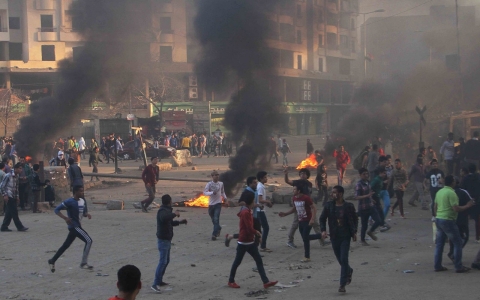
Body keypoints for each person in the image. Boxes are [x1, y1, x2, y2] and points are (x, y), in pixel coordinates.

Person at [227, 189, 278, 289]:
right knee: (237, 262)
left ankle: (265, 281)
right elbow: (249, 228)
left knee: (258, 260)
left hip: (249, 241)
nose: (255, 203)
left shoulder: (247, 211)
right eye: (254, 201)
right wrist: (257, 233)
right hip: (244, 242)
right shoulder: (246, 212)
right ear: (250, 202)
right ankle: (231, 281)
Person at [320, 185, 358, 293]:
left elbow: (355, 219)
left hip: (345, 236)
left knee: (344, 258)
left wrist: (354, 231)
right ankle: (349, 270)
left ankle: (342, 284)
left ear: (340, 194)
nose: (332, 194)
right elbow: (322, 218)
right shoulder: (329, 206)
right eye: (332, 192)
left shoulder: (349, 206)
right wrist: (323, 230)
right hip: (334, 236)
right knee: (340, 259)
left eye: (334, 192)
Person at [433, 175, 473, 273]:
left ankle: (437, 265)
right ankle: (458, 266)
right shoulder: (451, 193)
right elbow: (456, 208)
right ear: (452, 182)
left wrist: (437, 215)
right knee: (458, 242)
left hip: (439, 218)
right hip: (448, 220)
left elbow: (435, 206)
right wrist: (467, 206)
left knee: (440, 244)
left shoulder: (440, 192)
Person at [48, 186, 93, 272]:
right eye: (80, 191)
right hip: (74, 227)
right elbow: (57, 210)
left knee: (65, 245)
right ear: (75, 192)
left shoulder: (82, 201)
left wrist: (86, 214)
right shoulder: (69, 201)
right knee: (89, 240)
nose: (82, 193)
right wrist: (65, 218)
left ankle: (52, 260)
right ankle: (83, 263)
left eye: (82, 191)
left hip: (77, 225)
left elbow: (82, 212)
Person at [151, 194, 187, 293]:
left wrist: (180, 222)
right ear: (169, 201)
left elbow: (170, 223)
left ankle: (160, 280)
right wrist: (175, 214)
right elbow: (164, 219)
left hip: (167, 239)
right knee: (162, 262)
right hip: (163, 240)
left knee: (166, 261)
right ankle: (155, 284)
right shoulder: (162, 211)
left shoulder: (167, 211)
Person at [284, 168, 326, 248]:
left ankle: (322, 240)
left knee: (315, 223)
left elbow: (309, 194)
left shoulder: (309, 184)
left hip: (308, 204)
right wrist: (286, 174)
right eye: (301, 173)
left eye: (304, 174)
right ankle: (290, 240)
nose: (303, 175)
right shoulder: (297, 182)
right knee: (296, 223)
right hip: (299, 204)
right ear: (299, 175)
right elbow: (288, 181)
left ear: (307, 175)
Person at [279, 185, 318, 262]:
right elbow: (294, 209)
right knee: (305, 237)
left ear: (299, 191)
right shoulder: (294, 198)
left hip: (308, 219)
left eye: (294, 189)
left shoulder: (306, 198)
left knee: (305, 238)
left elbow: (313, 207)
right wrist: (285, 214)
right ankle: (321, 235)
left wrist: (312, 219)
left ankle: (307, 256)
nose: (293, 191)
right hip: (301, 220)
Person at [354, 168, 382, 246]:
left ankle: (370, 231)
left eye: (367, 173)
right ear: (360, 175)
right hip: (363, 208)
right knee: (364, 225)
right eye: (364, 174)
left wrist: (371, 199)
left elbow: (369, 193)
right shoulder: (359, 184)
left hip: (370, 206)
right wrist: (367, 196)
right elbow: (356, 197)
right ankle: (362, 240)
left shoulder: (368, 182)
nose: (366, 175)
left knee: (378, 221)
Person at [447, 177, 471, 263]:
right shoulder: (462, 192)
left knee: (453, 237)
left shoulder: (445, 192)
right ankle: (455, 256)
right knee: (464, 237)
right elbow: (471, 202)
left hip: (450, 218)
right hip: (462, 218)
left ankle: (452, 253)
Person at [0, 163, 28, 232]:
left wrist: (17, 196)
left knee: (9, 212)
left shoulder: (16, 177)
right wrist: (5, 195)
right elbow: (2, 186)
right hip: (8, 195)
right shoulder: (8, 175)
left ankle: (4, 226)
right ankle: (20, 226)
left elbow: (16, 187)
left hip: (13, 195)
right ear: (15, 169)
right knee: (14, 212)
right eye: (19, 168)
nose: (21, 170)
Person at [204, 170, 227, 240]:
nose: (217, 176)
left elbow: (223, 192)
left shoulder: (221, 184)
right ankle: (219, 228)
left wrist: (225, 198)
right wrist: (211, 193)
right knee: (213, 219)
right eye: (215, 175)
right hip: (211, 204)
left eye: (218, 175)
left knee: (216, 219)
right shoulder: (209, 184)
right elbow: (205, 192)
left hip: (218, 204)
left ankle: (214, 234)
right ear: (212, 176)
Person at [461, 163, 480, 242]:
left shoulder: (465, 178)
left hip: (468, 201)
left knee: (465, 218)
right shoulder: (479, 177)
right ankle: (477, 237)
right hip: (478, 200)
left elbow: (463, 189)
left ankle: (464, 235)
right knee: (478, 220)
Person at [370, 167, 391, 232]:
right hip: (374, 197)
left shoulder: (380, 179)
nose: (385, 174)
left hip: (377, 197)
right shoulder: (376, 180)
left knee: (380, 212)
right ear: (380, 173)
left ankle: (381, 225)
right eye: (384, 173)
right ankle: (378, 226)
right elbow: (370, 187)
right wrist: (370, 198)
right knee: (378, 212)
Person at [256, 171, 273, 252]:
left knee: (258, 228)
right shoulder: (260, 187)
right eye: (265, 177)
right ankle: (263, 246)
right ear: (261, 178)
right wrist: (268, 202)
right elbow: (260, 200)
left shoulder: (261, 186)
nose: (266, 179)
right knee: (266, 228)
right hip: (260, 210)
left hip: (260, 209)